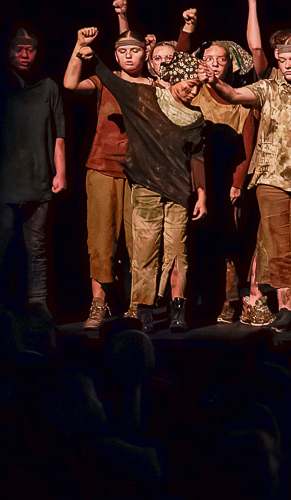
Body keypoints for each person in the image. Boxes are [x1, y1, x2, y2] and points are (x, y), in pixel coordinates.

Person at [202, 28, 291, 333]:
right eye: (283, 60)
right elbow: (235, 94)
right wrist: (216, 83)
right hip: (271, 179)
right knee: (277, 247)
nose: (288, 65)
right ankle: (284, 308)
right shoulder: (269, 88)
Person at [78, 29, 208, 332]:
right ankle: (144, 309)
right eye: (189, 85)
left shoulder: (195, 117)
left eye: (197, 88)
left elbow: (197, 158)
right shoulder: (147, 97)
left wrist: (200, 193)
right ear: (175, 80)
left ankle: (178, 309)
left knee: (178, 252)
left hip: (178, 191)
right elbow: (113, 81)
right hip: (147, 186)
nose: (193, 92)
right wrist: (91, 55)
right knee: (145, 251)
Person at [63, 27, 150, 328]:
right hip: (102, 166)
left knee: (140, 241)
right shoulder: (106, 81)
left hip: (141, 174)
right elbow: (70, 84)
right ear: (115, 55)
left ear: (145, 53)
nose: (129, 55)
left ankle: (138, 305)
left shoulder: (154, 86)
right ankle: (98, 302)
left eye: (135, 50)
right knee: (101, 240)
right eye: (123, 51)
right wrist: (79, 46)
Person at [0, 26, 66, 315]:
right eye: (18, 48)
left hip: (39, 179)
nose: (24, 54)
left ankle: (38, 304)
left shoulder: (47, 87)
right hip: (5, 182)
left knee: (36, 247)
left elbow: (59, 133)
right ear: (8, 51)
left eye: (29, 49)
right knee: (0, 246)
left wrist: (60, 172)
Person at [191, 37, 263, 325]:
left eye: (220, 59)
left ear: (230, 64)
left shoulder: (240, 97)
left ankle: (229, 301)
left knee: (229, 243)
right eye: (209, 58)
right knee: (199, 242)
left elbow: (247, 143)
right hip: (199, 181)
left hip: (227, 179)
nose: (214, 64)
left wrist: (237, 183)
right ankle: (202, 299)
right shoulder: (194, 93)